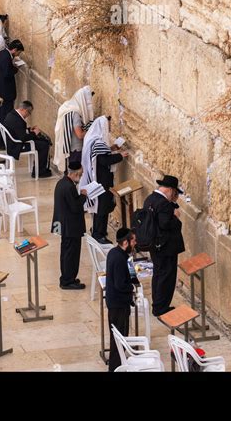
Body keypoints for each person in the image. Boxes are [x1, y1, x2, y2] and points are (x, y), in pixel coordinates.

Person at [80, 115, 127, 244]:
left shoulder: (94, 140)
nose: (110, 127)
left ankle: (97, 230)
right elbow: (104, 160)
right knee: (102, 208)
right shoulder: (98, 142)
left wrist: (112, 148)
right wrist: (120, 156)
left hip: (99, 179)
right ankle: (98, 234)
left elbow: (101, 154)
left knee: (100, 207)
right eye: (108, 125)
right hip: (102, 181)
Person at [143, 175, 185, 317]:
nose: (176, 196)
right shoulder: (164, 204)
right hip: (165, 248)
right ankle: (161, 307)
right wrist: (176, 217)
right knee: (166, 277)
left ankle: (158, 304)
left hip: (156, 245)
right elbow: (165, 224)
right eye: (175, 193)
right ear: (170, 190)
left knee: (159, 274)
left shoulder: (150, 199)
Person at [51, 162, 87, 290]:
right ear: (76, 173)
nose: (81, 176)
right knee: (71, 253)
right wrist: (83, 196)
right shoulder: (69, 187)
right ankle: (67, 281)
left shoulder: (62, 182)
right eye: (81, 174)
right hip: (70, 226)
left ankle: (68, 277)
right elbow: (75, 206)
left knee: (67, 252)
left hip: (64, 224)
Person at [106, 227, 137, 372]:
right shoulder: (119, 258)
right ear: (125, 242)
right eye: (133, 241)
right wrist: (131, 287)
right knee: (119, 339)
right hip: (118, 304)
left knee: (118, 337)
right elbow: (120, 284)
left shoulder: (115, 253)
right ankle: (116, 368)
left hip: (116, 303)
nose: (135, 243)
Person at [3, 100, 52, 178]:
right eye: (28, 113)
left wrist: (29, 130)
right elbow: (23, 138)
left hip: (13, 143)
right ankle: (39, 172)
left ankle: (39, 169)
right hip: (16, 146)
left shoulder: (12, 114)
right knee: (44, 145)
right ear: (24, 110)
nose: (28, 115)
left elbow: (18, 131)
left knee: (41, 142)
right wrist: (34, 133)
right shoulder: (17, 120)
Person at [53, 86, 94, 171]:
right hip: (76, 148)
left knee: (70, 170)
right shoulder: (75, 114)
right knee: (75, 172)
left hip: (67, 146)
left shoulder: (67, 106)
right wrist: (91, 129)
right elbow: (79, 135)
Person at [0, 39, 24, 127]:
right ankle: (3, 136)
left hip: (0, 90)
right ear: (14, 50)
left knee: (2, 114)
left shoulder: (2, 53)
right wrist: (16, 68)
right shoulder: (6, 57)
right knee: (5, 115)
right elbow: (7, 74)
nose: (18, 55)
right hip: (5, 94)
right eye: (19, 52)